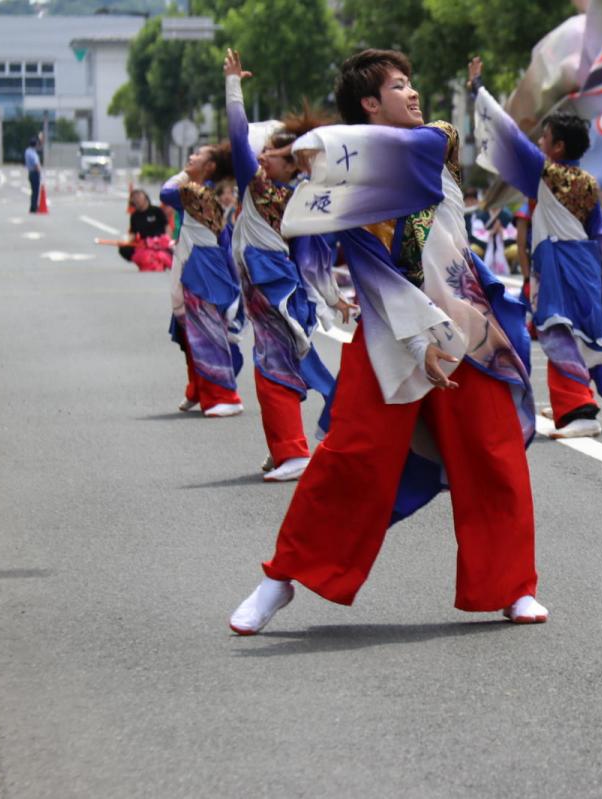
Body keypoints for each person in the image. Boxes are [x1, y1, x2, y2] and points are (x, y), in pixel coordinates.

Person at [229, 48, 545, 635]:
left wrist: (320, 147)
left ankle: (512, 586)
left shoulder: (435, 141)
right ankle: (281, 577)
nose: (413, 93)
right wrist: (419, 336)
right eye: (399, 87)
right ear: (370, 103)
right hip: (391, 330)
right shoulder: (349, 195)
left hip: (466, 326)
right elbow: (373, 274)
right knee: (350, 458)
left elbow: (392, 151)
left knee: (491, 456)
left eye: (410, 81)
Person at [469, 56, 602, 439]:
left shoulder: (547, 175)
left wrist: (479, 92)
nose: (538, 143)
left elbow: (509, 136)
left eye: (544, 138)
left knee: (557, 332)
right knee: (572, 332)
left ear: (556, 147)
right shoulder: (588, 181)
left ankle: (579, 411)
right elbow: (600, 233)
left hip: (558, 263)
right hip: (585, 264)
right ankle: (575, 399)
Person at [223, 49, 339, 483]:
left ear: (290, 163)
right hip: (270, 285)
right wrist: (331, 295)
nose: (262, 156)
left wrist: (233, 86)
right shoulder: (296, 195)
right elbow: (316, 253)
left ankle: (294, 451)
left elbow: (237, 137)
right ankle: (284, 449)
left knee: (273, 366)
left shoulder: (268, 187)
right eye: (265, 151)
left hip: (273, 285)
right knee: (272, 362)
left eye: (273, 152)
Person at [161, 144, 246, 417]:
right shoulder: (204, 192)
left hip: (202, 266)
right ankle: (198, 388)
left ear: (209, 167)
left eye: (198, 155)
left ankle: (225, 395)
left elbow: (166, 191)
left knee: (206, 331)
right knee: (188, 329)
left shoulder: (197, 192)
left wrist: (185, 174)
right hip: (195, 260)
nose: (191, 157)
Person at [118, 189, 173, 272]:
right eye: (134, 198)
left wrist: (169, 241)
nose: (136, 199)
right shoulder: (134, 216)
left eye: (138, 196)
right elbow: (133, 233)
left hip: (160, 242)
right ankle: (147, 261)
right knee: (124, 249)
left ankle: (158, 260)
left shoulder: (156, 211)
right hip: (144, 243)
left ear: (145, 198)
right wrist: (125, 242)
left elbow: (167, 226)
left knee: (167, 252)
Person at [25, 138, 41, 213]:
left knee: (33, 191)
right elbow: (36, 164)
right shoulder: (33, 153)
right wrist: (39, 172)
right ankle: (34, 207)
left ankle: (32, 206)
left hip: (30, 172)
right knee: (35, 191)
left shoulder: (27, 151)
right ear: (35, 145)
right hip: (34, 172)